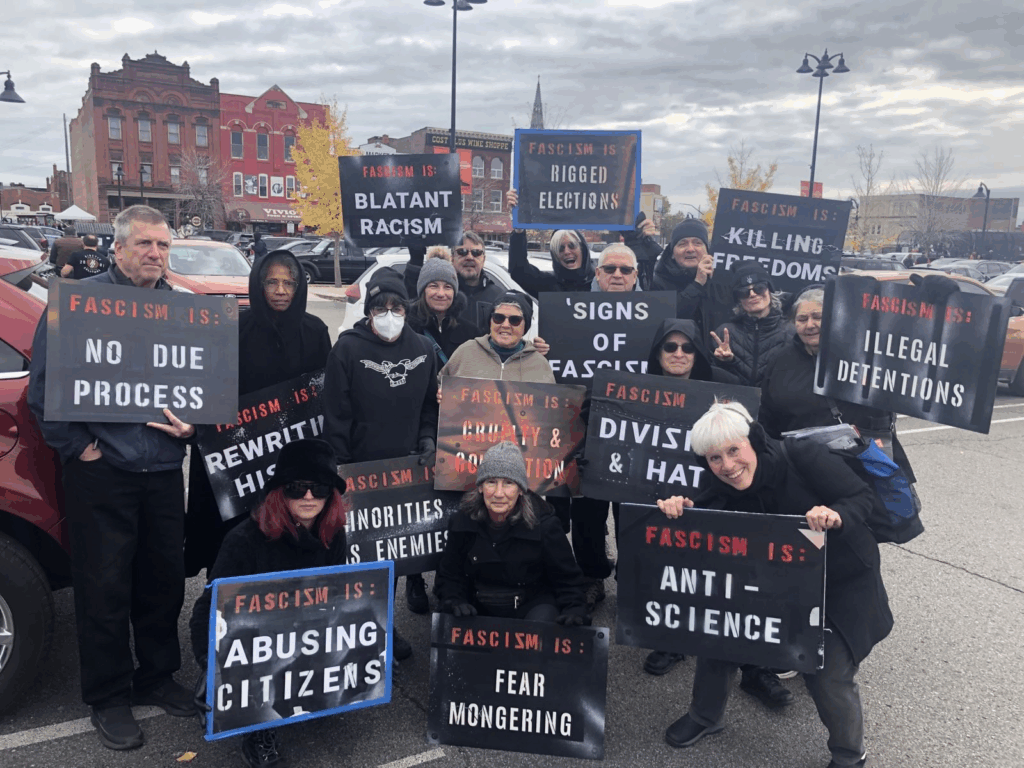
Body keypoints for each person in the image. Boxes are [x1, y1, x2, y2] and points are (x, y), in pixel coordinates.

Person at [27, 205, 197, 750]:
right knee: (103, 587)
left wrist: (193, 427)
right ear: (117, 248)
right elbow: (43, 388)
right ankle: (108, 695)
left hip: (163, 469)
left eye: (163, 245)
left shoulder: (184, 309)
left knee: (163, 581)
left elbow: (202, 387)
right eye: (145, 243)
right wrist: (80, 449)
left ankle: (157, 676)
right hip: (103, 471)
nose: (155, 254)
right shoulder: (78, 304)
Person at [657, 401, 892, 768]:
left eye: (734, 450)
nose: (728, 465)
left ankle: (849, 753)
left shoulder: (802, 456)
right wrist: (682, 510)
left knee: (827, 670)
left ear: (754, 441)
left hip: (838, 581)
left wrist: (836, 514)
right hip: (771, 581)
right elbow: (704, 521)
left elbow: (861, 496)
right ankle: (705, 716)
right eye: (715, 458)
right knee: (717, 639)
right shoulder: (716, 481)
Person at [189, 439, 349, 768]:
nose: (308, 496)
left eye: (319, 488)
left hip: (307, 627)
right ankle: (258, 731)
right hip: (257, 638)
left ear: (330, 495)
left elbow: (337, 594)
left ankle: (310, 689)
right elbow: (207, 610)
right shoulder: (244, 540)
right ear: (279, 491)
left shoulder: (333, 534)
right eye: (296, 487)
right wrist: (210, 665)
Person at [184, 250, 332, 577]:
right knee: (235, 545)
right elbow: (208, 389)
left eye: (289, 283)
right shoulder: (233, 329)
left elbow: (324, 397)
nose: (280, 290)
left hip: (290, 458)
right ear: (258, 285)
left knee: (288, 539)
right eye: (271, 282)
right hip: (238, 460)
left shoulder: (315, 331)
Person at [322, 267, 437, 639]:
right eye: (380, 308)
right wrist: (340, 467)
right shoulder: (347, 349)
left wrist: (428, 438)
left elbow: (430, 406)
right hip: (361, 468)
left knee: (399, 546)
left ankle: (388, 624)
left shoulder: (422, 349)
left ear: (406, 309)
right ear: (369, 311)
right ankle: (367, 629)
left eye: (396, 307)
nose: (389, 315)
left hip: (407, 468)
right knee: (364, 555)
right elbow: (336, 414)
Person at [637, 319, 741, 677]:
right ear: (657, 353)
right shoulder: (635, 387)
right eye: (670, 347)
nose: (679, 354)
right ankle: (670, 640)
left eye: (687, 347)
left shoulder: (722, 386)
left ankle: (722, 639)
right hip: (655, 493)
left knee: (707, 566)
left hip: (711, 489)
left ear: (698, 354)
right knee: (664, 567)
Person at [759, 287, 916, 479]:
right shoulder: (779, 361)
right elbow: (768, 418)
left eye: (818, 317)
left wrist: (937, 303)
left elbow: (911, 369)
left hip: (864, 468)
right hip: (805, 471)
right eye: (802, 319)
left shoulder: (865, 351)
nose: (810, 325)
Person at [436, 441, 589, 624]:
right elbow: (450, 573)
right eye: (491, 482)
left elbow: (568, 579)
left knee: (543, 624)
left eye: (508, 483)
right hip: (478, 604)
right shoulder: (462, 521)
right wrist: (454, 599)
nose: (499, 493)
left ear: (521, 490)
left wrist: (575, 608)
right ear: (480, 487)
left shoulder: (546, 526)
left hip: (531, 605)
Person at [439, 290, 551, 382]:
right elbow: (440, 383)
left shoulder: (539, 364)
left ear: (525, 326)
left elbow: (547, 400)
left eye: (515, 320)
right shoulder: (465, 352)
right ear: (490, 321)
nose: (505, 325)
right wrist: (441, 393)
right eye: (498, 318)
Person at [709, 263, 790, 387]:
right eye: (743, 292)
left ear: (769, 290)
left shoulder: (791, 333)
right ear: (738, 299)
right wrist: (725, 362)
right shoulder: (724, 333)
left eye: (759, 288)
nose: (752, 294)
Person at [649, 219, 732, 335]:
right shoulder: (658, 282)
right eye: (682, 244)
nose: (690, 249)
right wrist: (697, 284)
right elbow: (664, 321)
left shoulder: (722, 279)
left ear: (707, 250)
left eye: (697, 243)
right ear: (672, 253)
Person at [407, 255, 480, 366]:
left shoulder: (470, 332)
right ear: (423, 291)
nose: (441, 294)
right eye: (434, 286)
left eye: (447, 287)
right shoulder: (408, 329)